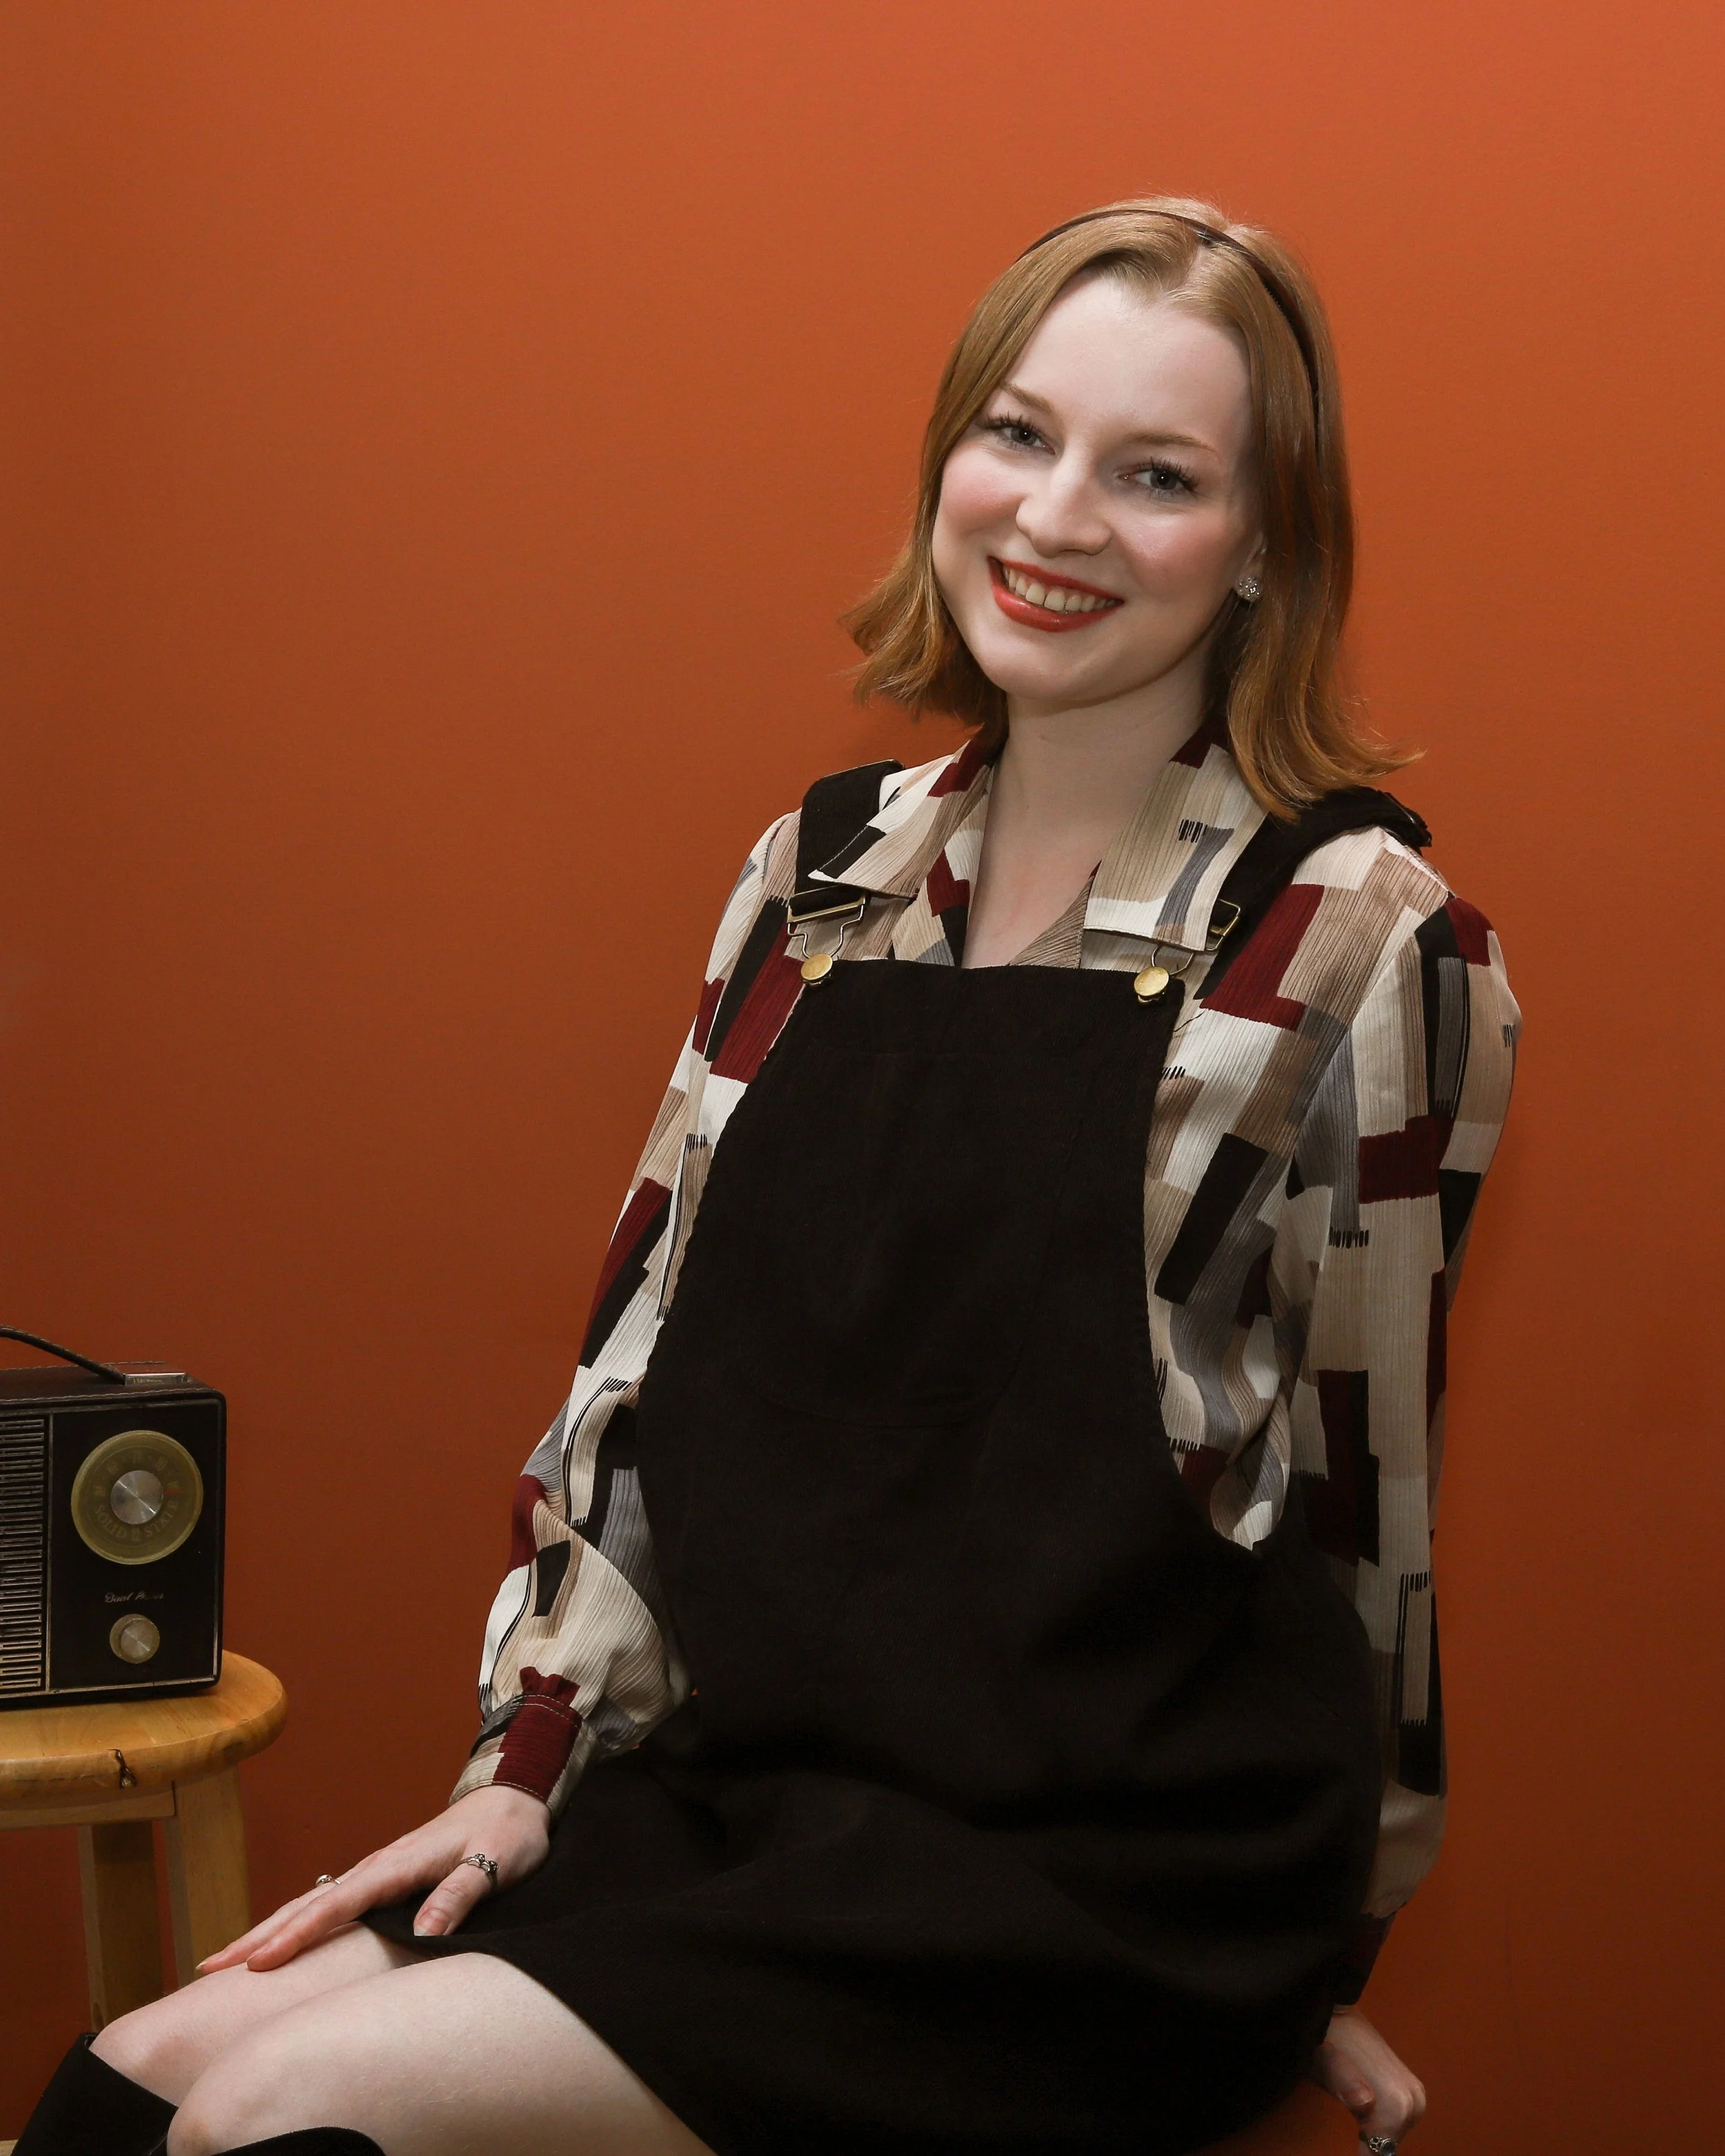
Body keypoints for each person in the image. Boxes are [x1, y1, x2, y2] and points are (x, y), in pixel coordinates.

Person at [17, 196, 1517, 2156]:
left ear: (1261, 547)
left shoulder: (1363, 935)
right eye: (1016, 433)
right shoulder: (817, 878)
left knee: (291, 2117)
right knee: (137, 2074)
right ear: (945, 461)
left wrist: (1324, 1940)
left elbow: (1361, 1492)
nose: (1057, 517)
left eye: (1156, 474)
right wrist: (525, 1759)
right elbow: (635, 1362)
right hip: (760, 1783)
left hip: (1098, 1870)